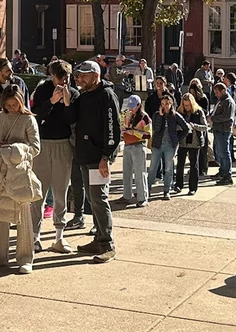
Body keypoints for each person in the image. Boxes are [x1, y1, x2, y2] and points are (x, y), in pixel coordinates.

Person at [59, 61, 121, 263]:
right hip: (84, 156)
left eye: (84, 75)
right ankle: (98, 238)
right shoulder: (84, 96)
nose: (80, 79)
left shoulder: (107, 96)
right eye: (78, 75)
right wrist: (67, 100)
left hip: (98, 159)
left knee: (99, 199)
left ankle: (107, 243)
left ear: (96, 75)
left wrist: (106, 157)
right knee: (92, 201)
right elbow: (70, 119)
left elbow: (113, 130)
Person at [0, 84, 41, 273]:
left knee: (23, 215)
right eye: (8, 105)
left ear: (21, 102)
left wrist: (16, 149)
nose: (11, 108)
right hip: (0, 171)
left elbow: (35, 147)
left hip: (20, 172)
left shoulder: (28, 120)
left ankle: (25, 257)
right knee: (0, 215)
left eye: (15, 104)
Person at [30, 60, 79, 253]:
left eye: (66, 78)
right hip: (43, 144)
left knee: (61, 192)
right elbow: (36, 116)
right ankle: (35, 236)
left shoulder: (73, 93)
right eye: (60, 78)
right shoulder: (43, 90)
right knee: (38, 193)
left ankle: (59, 237)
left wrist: (67, 103)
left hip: (63, 144)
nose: (63, 82)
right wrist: (51, 101)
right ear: (52, 76)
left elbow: (72, 120)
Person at [148, 94, 187, 200]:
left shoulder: (175, 116)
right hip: (158, 144)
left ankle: (166, 190)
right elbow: (156, 128)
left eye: (167, 104)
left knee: (169, 168)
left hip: (170, 145)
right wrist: (160, 116)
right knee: (153, 167)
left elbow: (186, 128)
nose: (165, 106)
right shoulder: (156, 115)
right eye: (163, 104)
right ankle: (147, 189)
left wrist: (177, 139)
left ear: (171, 104)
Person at [119, 95, 152, 207]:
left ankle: (143, 197)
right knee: (126, 172)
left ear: (139, 105)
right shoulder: (127, 115)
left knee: (140, 172)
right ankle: (126, 195)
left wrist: (135, 132)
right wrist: (123, 130)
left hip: (138, 146)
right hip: (127, 145)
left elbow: (148, 135)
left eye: (134, 106)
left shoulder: (145, 117)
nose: (131, 109)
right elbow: (123, 126)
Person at [175, 94, 208, 195]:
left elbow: (205, 126)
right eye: (185, 105)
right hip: (183, 142)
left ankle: (193, 187)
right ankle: (178, 185)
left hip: (195, 142)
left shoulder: (199, 112)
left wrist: (195, 126)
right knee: (180, 164)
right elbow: (175, 126)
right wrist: (182, 128)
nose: (187, 107)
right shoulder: (179, 112)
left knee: (194, 165)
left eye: (188, 105)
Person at [211, 83, 236, 185]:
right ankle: (222, 171)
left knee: (225, 153)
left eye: (217, 92)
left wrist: (212, 119)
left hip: (223, 130)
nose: (216, 95)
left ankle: (227, 175)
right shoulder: (221, 100)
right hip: (218, 129)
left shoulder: (228, 101)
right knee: (221, 153)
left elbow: (227, 116)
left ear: (223, 91)